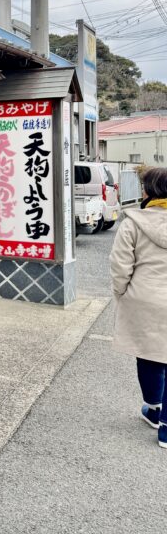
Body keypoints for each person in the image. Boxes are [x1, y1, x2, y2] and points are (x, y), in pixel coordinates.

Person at [110, 166, 167, 449]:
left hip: (144, 300)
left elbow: (120, 267)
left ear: (151, 191)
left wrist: (122, 294)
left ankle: (154, 408)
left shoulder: (133, 222)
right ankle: (166, 429)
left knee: (150, 355)